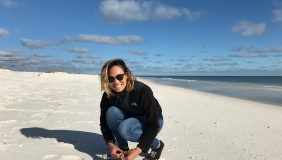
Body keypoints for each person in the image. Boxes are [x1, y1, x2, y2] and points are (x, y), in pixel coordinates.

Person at [99, 59, 164, 160]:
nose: (116, 82)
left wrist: (138, 150)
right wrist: (111, 145)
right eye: (110, 79)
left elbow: (154, 124)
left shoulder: (142, 91)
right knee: (112, 112)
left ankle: (157, 145)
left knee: (125, 129)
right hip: (131, 117)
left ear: (126, 75)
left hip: (153, 121)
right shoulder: (108, 95)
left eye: (119, 77)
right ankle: (122, 148)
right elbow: (104, 124)